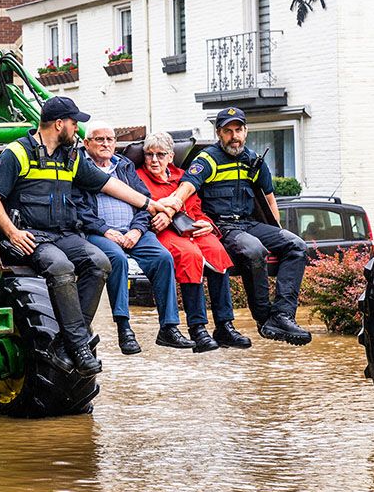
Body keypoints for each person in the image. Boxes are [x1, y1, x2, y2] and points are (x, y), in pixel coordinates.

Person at [0, 96, 171, 375]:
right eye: (74, 123)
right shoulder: (17, 153)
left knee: (99, 262)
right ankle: (80, 347)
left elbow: (108, 184)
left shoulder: (70, 157)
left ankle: (65, 343)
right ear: (59, 124)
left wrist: (149, 203)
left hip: (64, 233)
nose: (78, 130)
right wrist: (12, 232)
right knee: (61, 268)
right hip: (31, 236)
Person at [156, 107, 311, 346]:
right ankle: (263, 318)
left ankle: (282, 315)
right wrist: (174, 203)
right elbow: (188, 186)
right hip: (221, 228)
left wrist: (278, 233)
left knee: (296, 245)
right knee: (254, 250)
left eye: (238, 130)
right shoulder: (207, 159)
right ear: (219, 133)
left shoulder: (253, 159)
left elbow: (269, 199)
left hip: (250, 223)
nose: (234, 136)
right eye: (228, 131)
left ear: (246, 131)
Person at [76, 123, 195, 354]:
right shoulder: (80, 168)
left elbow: (145, 200)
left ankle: (169, 327)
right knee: (117, 260)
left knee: (162, 257)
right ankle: (124, 327)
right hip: (100, 233)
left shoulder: (124, 165)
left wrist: (137, 231)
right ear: (86, 143)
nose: (106, 144)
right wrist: (104, 230)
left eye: (110, 139)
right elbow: (77, 208)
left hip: (133, 231)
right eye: (99, 139)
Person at [136, 132, 252, 349]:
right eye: (149, 154)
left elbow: (196, 208)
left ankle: (224, 325)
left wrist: (207, 224)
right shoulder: (138, 178)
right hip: (163, 231)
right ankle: (197, 328)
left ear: (170, 156)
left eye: (160, 155)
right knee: (190, 256)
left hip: (191, 227)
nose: (154, 160)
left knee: (217, 252)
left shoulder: (181, 177)